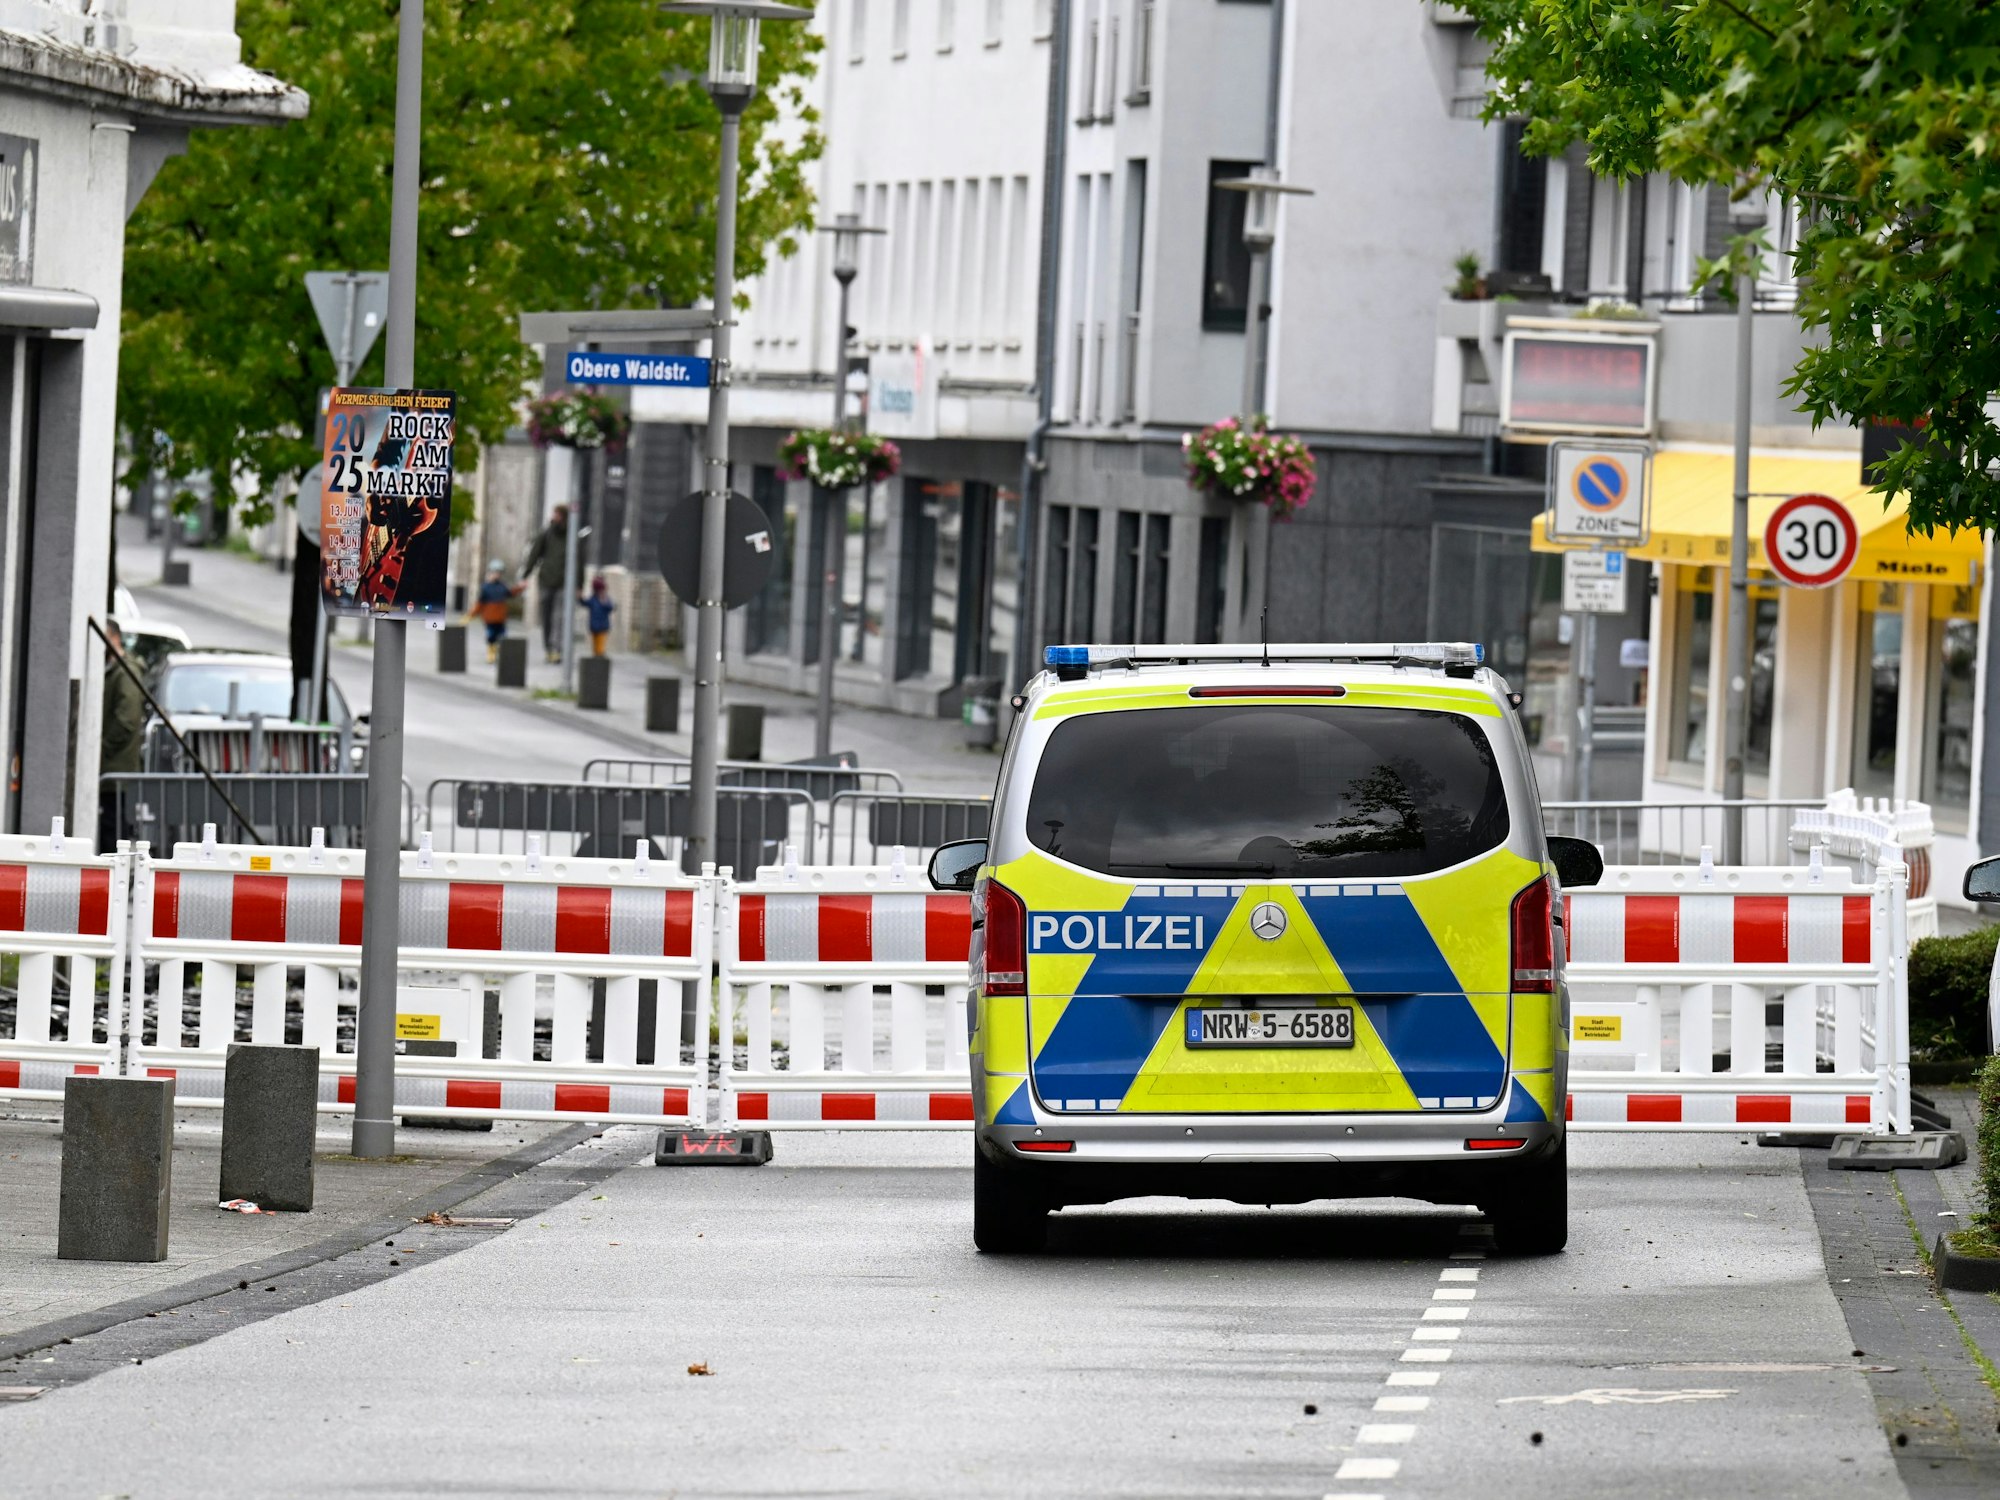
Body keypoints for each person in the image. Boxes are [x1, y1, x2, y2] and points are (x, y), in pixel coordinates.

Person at [100, 620, 146, 849]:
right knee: (110, 827)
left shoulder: (125, 672)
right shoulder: (114, 670)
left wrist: (101, 748)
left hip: (117, 769)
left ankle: (113, 880)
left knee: (114, 830)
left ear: (115, 638)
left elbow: (126, 721)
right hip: (113, 769)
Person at [520, 504, 570, 663]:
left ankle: (557, 649)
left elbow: (578, 561)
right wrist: (526, 575)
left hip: (563, 582)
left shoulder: (571, 536)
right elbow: (534, 554)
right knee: (547, 616)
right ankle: (548, 647)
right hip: (546, 580)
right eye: (554, 514)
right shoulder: (547, 534)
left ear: (564, 517)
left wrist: (579, 584)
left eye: (557, 515)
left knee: (559, 617)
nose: (554, 517)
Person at [466, 560, 521, 663]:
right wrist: (471, 615)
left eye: (499, 573)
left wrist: (520, 588)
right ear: (490, 573)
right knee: (491, 636)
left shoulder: (502, 586)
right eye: (495, 573)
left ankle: (499, 652)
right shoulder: (486, 588)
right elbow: (480, 603)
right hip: (490, 618)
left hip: (500, 617)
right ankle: (491, 652)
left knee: (502, 636)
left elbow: (510, 593)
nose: (497, 575)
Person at [582, 575, 615, 657]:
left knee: (600, 644)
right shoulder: (593, 599)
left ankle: (600, 655)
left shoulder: (606, 599)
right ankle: (596, 655)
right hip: (594, 626)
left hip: (603, 627)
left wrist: (604, 601)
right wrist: (580, 598)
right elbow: (586, 603)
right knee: (595, 644)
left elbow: (611, 607)